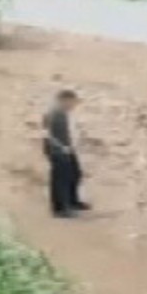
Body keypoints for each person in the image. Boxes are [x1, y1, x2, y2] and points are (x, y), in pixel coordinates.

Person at [41, 89, 90, 218]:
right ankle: (60, 209)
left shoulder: (61, 112)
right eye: (72, 102)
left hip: (66, 149)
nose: (73, 106)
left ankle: (73, 201)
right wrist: (62, 147)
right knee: (60, 180)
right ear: (65, 100)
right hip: (57, 151)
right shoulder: (53, 113)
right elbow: (48, 135)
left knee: (75, 174)